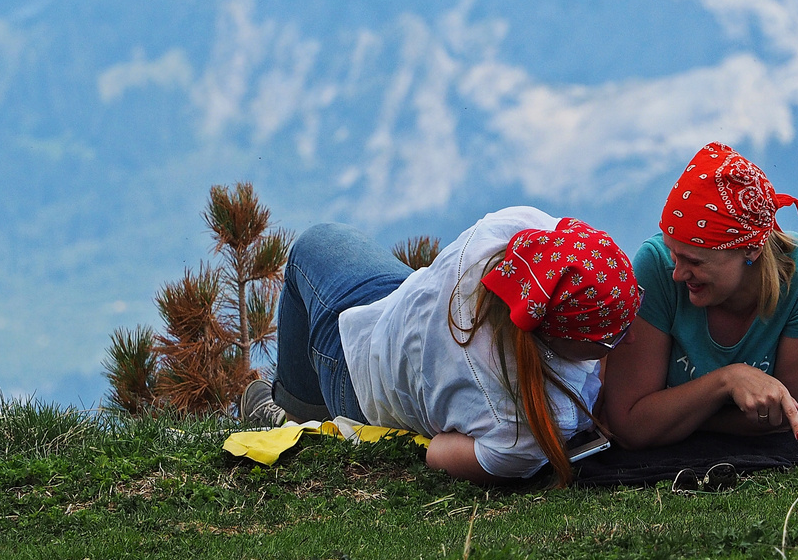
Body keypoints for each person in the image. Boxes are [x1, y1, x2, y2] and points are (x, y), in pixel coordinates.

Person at [253, 207, 641, 484]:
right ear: (556, 339)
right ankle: (299, 413)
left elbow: (436, 454)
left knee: (314, 243)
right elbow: (439, 449)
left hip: (374, 351)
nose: (632, 339)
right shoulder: (524, 433)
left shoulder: (510, 230)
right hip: (371, 354)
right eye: (615, 337)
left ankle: (293, 405)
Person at [600, 142, 798, 448]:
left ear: (751, 248)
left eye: (695, 262)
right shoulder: (655, 266)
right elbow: (629, 424)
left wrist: (672, 419)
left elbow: (782, 418)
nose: (677, 274)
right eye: (674, 254)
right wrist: (727, 381)